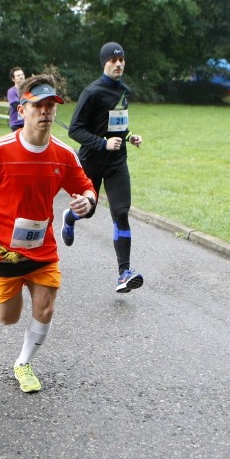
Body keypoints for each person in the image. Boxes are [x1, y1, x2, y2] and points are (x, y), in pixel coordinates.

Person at [0, 74, 97, 393]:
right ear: (22, 110)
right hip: (2, 250)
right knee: (8, 318)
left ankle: (23, 363)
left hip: (41, 249)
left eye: (51, 106)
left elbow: (87, 188)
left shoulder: (64, 154)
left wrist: (87, 202)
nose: (46, 112)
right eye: (38, 106)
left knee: (45, 308)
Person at [65, 42, 144, 294]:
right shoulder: (92, 92)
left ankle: (124, 273)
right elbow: (74, 129)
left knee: (121, 212)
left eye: (122, 60)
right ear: (104, 63)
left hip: (117, 163)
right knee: (88, 212)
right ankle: (70, 217)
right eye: (113, 60)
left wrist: (129, 136)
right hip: (91, 160)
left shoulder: (124, 91)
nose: (119, 64)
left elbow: (116, 123)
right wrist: (102, 143)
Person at [7, 67, 25, 131]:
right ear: (13, 79)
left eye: (22, 74)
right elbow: (15, 104)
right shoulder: (11, 91)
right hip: (17, 124)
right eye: (18, 75)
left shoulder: (28, 90)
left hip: (28, 123)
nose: (21, 76)